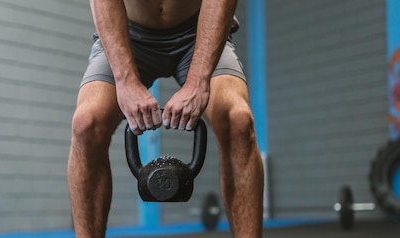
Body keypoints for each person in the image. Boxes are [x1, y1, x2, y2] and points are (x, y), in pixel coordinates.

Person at [67, 0, 264, 237]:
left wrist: (198, 82)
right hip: (127, 34)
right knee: (86, 124)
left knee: (238, 122)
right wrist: (126, 81)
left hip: (200, 32)